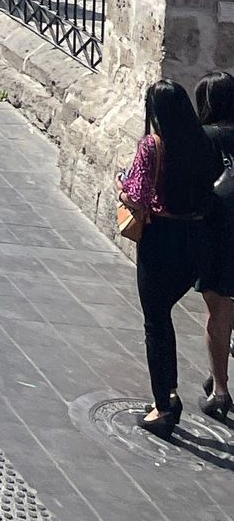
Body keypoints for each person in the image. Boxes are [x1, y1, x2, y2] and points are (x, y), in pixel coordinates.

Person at [118, 79, 221, 435]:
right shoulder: (203, 142)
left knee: (156, 322)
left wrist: (121, 183)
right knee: (165, 315)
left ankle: (164, 405)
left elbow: (137, 196)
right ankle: (167, 397)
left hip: (160, 240)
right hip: (195, 239)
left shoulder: (153, 145)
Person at [195, 71, 234, 419]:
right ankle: (216, 369)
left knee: (218, 310)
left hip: (219, 234)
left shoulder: (204, 137)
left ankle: (220, 391)